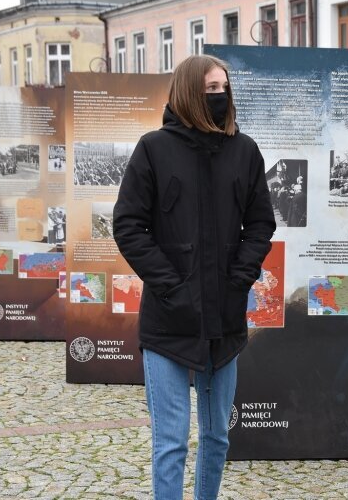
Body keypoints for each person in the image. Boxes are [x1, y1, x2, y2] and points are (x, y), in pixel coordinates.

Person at [112, 55, 275, 500]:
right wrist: (171, 285)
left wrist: (239, 278)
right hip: (168, 319)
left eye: (224, 87)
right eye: (210, 89)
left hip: (223, 320)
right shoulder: (153, 149)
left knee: (218, 436)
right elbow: (128, 224)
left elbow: (261, 223)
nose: (220, 96)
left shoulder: (245, 151)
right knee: (171, 443)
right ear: (189, 92)